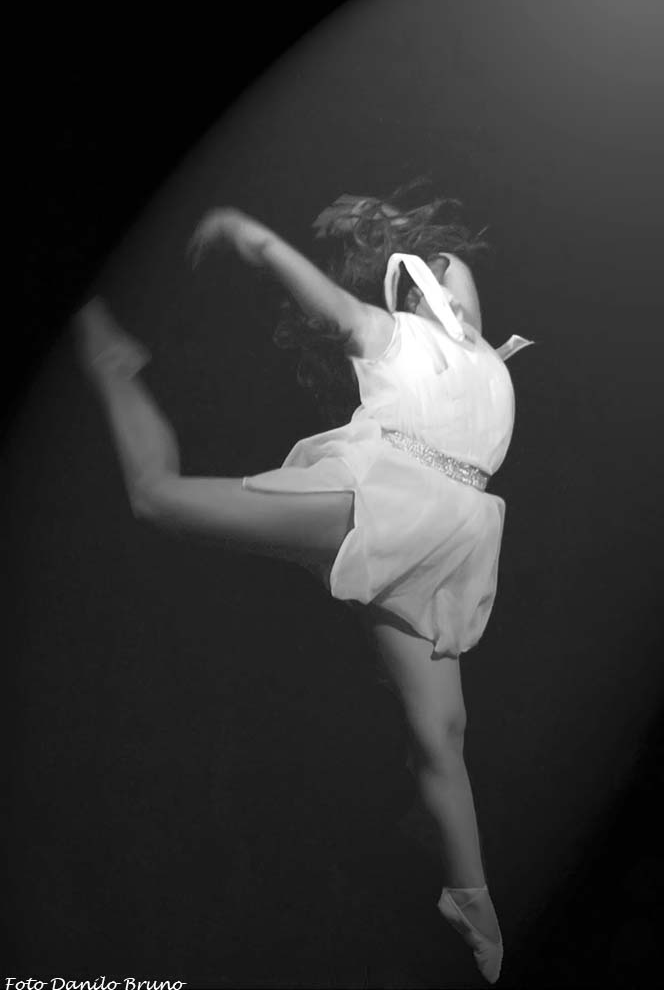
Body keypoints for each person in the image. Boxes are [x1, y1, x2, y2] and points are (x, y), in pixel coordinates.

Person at [75, 182, 532, 984]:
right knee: (158, 498)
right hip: (381, 498)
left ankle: (468, 895)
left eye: (456, 266)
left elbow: (452, 290)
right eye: (440, 267)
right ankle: (114, 365)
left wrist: (408, 244)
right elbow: (302, 279)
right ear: (416, 289)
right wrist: (246, 231)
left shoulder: (488, 363)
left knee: (443, 732)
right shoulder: (386, 334)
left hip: (443, 538)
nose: (454, 270)